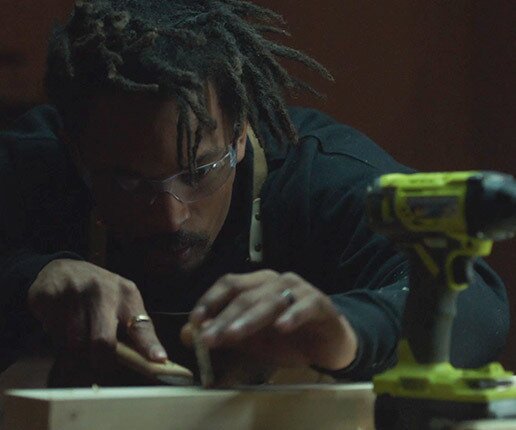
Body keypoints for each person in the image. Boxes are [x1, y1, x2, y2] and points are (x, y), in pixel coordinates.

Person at [0, 0, 509, 385]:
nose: (171, 218)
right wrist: (28, 278)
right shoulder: (29, 166)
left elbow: (475, 303)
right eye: (129, 181)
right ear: (75, 149)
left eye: (199, 170)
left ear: (242, 131)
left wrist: (346, 331)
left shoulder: (322, 178)